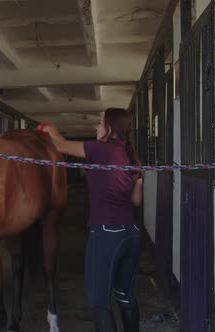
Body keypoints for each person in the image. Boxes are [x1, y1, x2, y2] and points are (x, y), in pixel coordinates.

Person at [40, 108, 144, 332]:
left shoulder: (100, 149)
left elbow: (60, 145)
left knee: (99, 302)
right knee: (125, 296)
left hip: (107, 235)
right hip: (133, 235)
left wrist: (51, 130)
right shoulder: (132, 155)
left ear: (110, 128)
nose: (96, 127)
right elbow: (136, 200)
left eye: (100, 122)